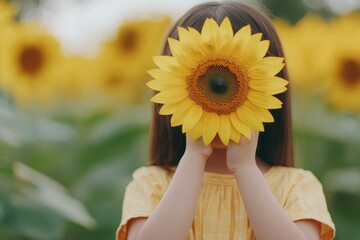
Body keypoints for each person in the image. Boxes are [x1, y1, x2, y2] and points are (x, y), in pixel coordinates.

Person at [116, 1, 335, 240]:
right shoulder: (152, 184)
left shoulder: (295, 186)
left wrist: (245, 169)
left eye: (231, 87)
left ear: (268, 95)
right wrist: (193, 157)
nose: (216, 107)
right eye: (206, 88)